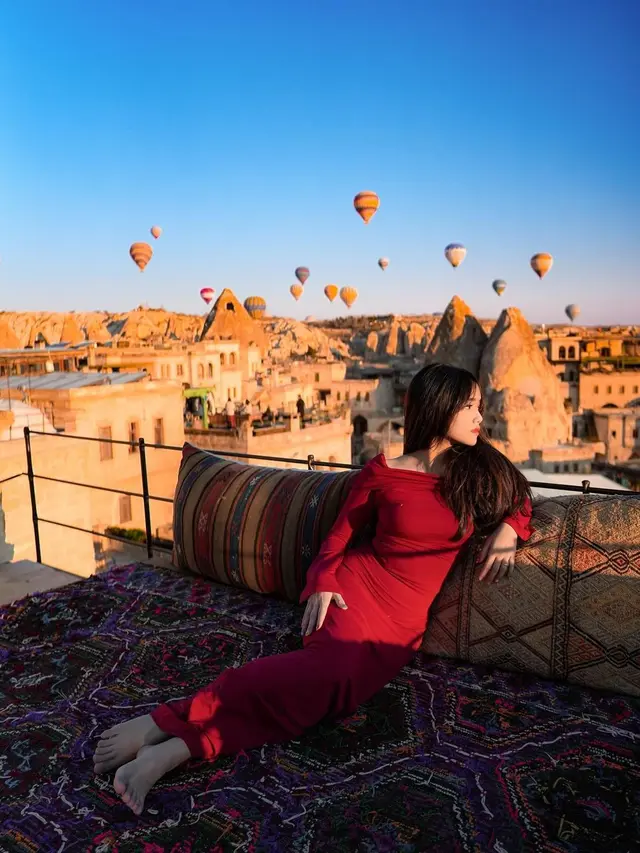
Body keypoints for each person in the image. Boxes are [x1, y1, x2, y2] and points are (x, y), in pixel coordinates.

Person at [93, 364, 533, 815]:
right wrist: (322, 583)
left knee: (330, 699)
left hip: (401, 627)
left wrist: (508, 532)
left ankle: (176, 744)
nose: (480, 417)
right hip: (355, 592)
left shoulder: (477, 470)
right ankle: (161, 726)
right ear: (440, 408)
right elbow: (338, 539)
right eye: (470, 406)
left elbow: (521, 496)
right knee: (325, 675)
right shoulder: (382, 473)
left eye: (479, 406)